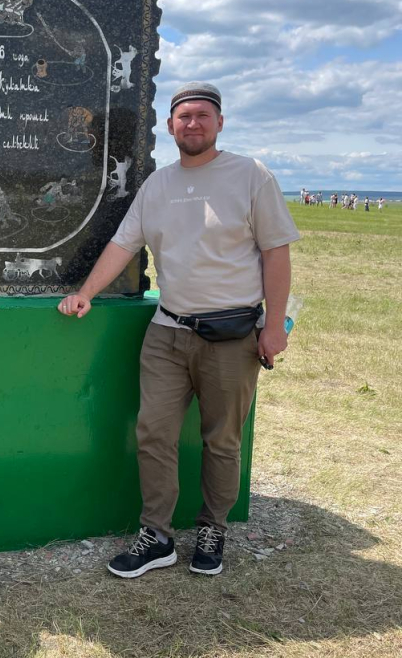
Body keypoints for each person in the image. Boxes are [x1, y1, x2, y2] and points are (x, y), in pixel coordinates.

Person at [58, 82, 299, 578]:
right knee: (153, 435)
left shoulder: (251, 175)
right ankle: (158, 536)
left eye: (203, 115)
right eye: (184, 116)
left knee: (222, 441)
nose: (193, 123)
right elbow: (123, 244)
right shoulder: (158, 185)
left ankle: (213, 529)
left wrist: (274, 326)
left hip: (231, 336)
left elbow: (276, 252)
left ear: (220, 123)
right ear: (170, 126)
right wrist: (87, 292)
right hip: (166, 333)